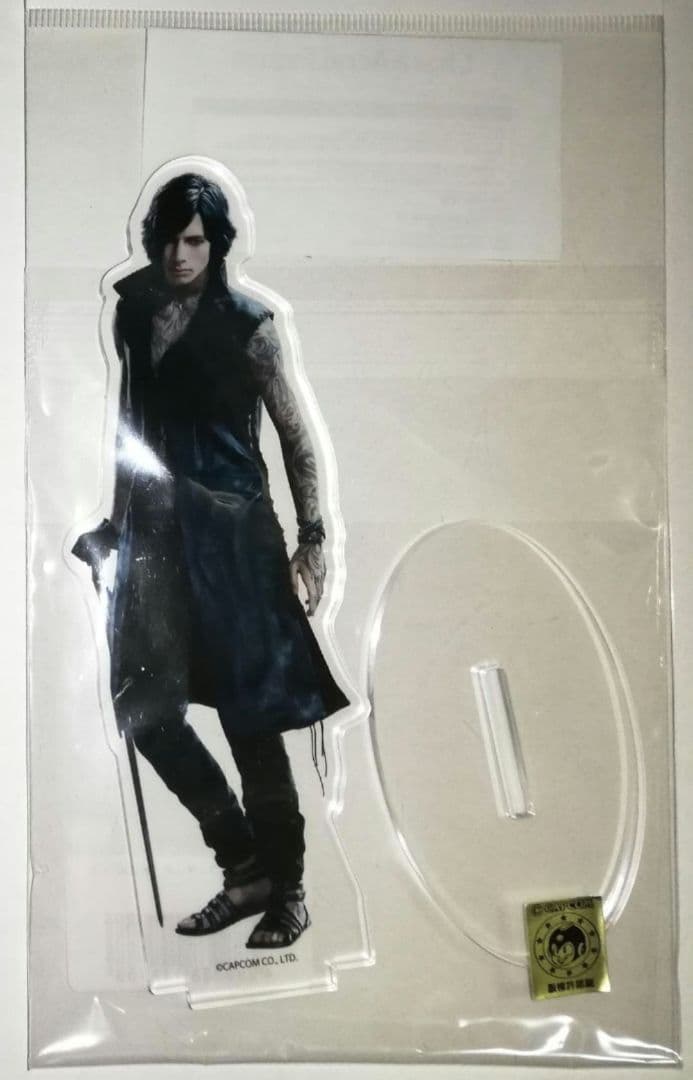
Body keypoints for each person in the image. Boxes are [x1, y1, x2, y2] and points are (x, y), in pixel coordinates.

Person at [73, 172, 348, 948]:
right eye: (167, 238)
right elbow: (131, 426)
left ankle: (287, 891)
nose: (178, 254)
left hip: (235, 542)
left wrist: (313, 538)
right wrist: (115, 526)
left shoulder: (251, 325)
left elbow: (295, 436)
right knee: (147, 712)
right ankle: (243, 865)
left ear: (217, 242)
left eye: (193, 239)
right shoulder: (134, 308)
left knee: (251, 722)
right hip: (157, 539)